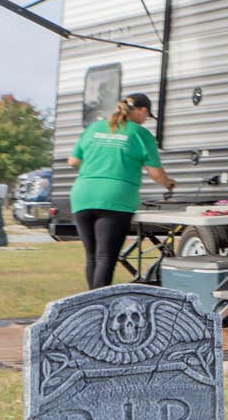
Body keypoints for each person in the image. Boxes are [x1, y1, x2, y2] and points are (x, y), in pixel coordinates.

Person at [67, 92, 176, 289]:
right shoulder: (140, 134)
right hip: (115, 197)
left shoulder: (94, 128)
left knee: (92, 256)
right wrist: (169, 183)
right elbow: (156, 174)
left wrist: (97, 168)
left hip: (82, 195)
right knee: (105, 256)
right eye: (147, 116)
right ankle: (100, 310)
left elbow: (73, 161)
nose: (145, 120)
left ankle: (91, 308)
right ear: (142, 111)